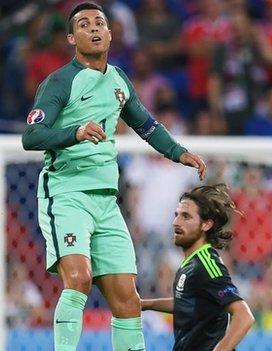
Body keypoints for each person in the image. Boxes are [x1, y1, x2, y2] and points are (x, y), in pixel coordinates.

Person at [21, 2, 206, 350]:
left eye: (100, 22)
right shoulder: (60, 82)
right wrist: (73, 132)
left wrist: (178, 152)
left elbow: (147, 125)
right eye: (84, 24)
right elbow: (31, 136)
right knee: (78, 278)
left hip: (107, 202)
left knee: (127, 299)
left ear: (109, 33)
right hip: (67, 192)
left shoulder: (119, 79)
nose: (93, 28)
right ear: (71, 38)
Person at [141, 185, 255, 350]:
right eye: (176, 215)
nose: (176, 222)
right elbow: (189, 302)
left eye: (185, 217)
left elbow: (244, 316)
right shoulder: (191, 262)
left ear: (206, 225)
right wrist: (145, 304)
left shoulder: (207, 264)